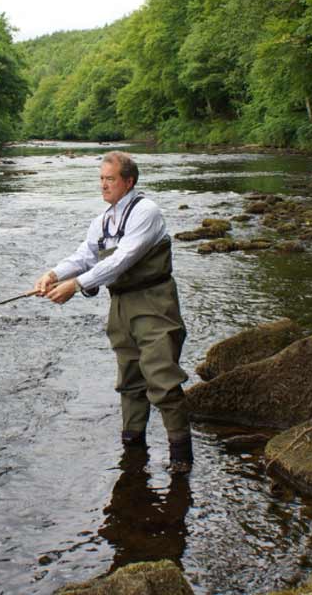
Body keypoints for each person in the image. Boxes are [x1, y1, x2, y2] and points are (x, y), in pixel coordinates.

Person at [33, 151, 193, 473]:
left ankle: (180, 457)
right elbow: (85, 255)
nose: (103, 185)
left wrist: (76, 285)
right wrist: (54, 274)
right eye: (101, 179)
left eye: (110, 179)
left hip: (154, 303)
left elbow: (122, 259)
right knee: (130, 380)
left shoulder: (146, 211)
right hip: (120, 306)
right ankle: (133, 445)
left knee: (161, 378)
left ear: (128, 181)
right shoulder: (103, 219)